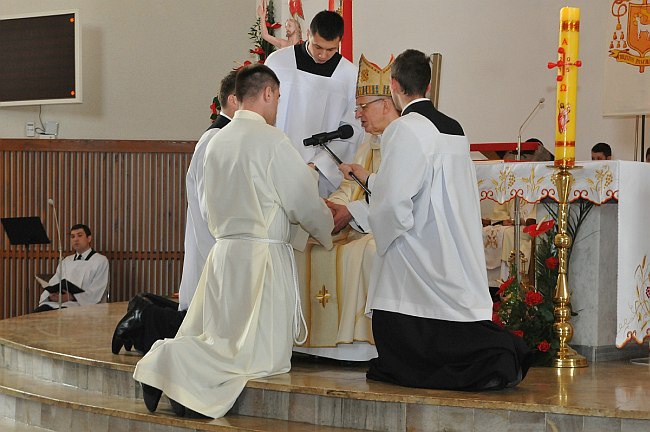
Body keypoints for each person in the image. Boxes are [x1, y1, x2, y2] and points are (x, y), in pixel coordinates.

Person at [132, 64, 334, 419]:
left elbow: (207, 206)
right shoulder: (273, 141)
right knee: (257, 355)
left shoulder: (216, 141)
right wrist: (324, 229)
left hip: (224, 253)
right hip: (261, 258)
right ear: (268, 94)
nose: (277, 107)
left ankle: (180, 382)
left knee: (225, 340)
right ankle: (164, 361)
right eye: (278, 98)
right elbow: (302, 201)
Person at [340, 49, 532, 390]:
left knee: (395, 302)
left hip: (418, 245)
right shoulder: (454, 128)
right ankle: (500, 356)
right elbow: (419, 184)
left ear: (395, 85)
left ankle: (502, 356)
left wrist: (385, 231)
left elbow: (396, 201)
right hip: (451, 241)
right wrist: (370, 180)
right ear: (427, 84)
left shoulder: (404, 129)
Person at [111, 71, 239, 355]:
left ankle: (143, 311)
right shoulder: (215, 139)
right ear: (234, 100)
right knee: (202, 325)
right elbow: (209, 203)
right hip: (213, 239)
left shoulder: (223, 136)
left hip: (216, 240)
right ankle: (145, 314)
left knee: (206, 321)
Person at [293, 54, 398, 361]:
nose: (358, 114)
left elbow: (396, 198)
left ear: (386, 104)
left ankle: (361, 345)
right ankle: (309, 342)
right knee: (303, 243)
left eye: (363, 106)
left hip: (383, 230)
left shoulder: (402, 140)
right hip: (358, 225)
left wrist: (351, 212)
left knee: (364, 253)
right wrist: (330, 208)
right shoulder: (369, 141)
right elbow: (350, 188)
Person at [265, 10, 362, 197]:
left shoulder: (349, 75)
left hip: (317, 174)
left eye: (331, 49)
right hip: (276, 164)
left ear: (339, 41)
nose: (323, 55)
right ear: (308, 34)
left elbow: (351, 130)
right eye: (318, 47)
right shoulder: (278, 63)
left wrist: (317, 165)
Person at [34, 224, 109, 312]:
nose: (76, 239)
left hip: (82, 306)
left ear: (89, 238)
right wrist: (51, 295)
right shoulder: (66, 261)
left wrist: (72, 297)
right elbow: (54, 282)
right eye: (72, 236)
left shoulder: (100, 260)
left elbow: (97, 291)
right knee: (40, 311)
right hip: (58, 303)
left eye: (80, 235)